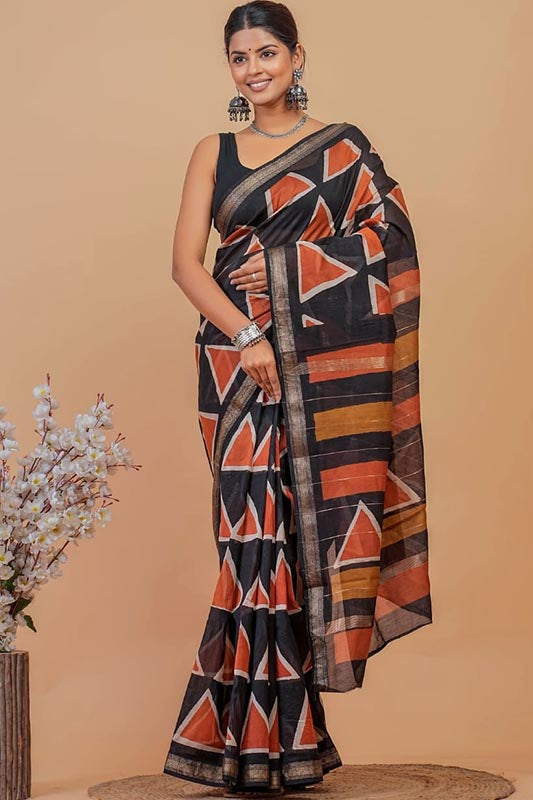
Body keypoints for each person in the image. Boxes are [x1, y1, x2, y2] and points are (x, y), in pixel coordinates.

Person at [163, 1, 433, 795]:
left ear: (296, 57)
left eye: (267, 53)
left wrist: (292, 270)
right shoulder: (213, 152)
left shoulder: (343, 149)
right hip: (233, 363)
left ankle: (282, 744)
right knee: (250, 539)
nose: (254, 69)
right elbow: (185, 265)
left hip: (316, 362)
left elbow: (392, 245)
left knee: (293, 535)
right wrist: (248, 335)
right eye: (240, 57)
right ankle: (250, 742)